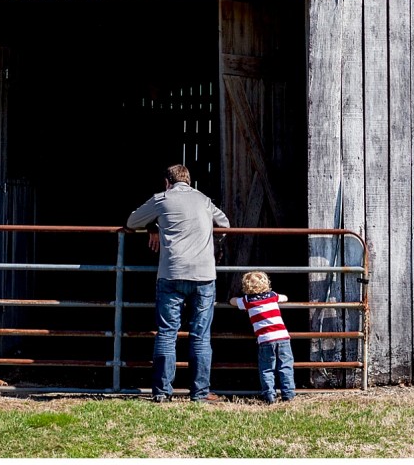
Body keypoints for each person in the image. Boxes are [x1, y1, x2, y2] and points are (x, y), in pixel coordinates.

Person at [126, 164, 230, 403]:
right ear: (189, 181)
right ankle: (200, 393)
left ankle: (162, 393)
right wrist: (212, 238)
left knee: (166, 334)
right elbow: (224, 224)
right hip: (203, 275)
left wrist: (152, 226)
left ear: (167, 182)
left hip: (171, 274)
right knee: (200, 336)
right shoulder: (203, 200)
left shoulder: (161, 199)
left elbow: (132, 222)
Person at [230, 271, 296, 404]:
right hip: (283, 337)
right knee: (286, 366)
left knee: (267, 368)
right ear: (266, 283)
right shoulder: (272, 296)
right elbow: (285, 297)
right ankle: (288, 395)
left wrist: (233, 298)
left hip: (265, 340)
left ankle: (269, 396)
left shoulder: (247, 300)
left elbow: (233, 302)